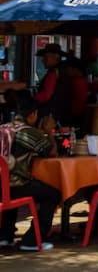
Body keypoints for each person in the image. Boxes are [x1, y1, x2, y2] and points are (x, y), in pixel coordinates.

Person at [0, 95, 61, 251]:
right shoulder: (27, 132)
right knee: (53, 194)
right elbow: (52, 152)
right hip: (15, 187)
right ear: (33, 114)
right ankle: (33, 240)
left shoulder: (4, 128)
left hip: (2, 187)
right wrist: (49, 132)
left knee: (10, 186)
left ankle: (5, 236)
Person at [32, 43, 70, 125]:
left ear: (55, 57)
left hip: (50, 115)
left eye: (46, 57)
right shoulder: (63, 71)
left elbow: (46, 95)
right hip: (60, 114)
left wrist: (32, 99)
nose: (43, 60)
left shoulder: (53, 73)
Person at [62, 57, 89, 130]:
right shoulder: (82, 81)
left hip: (73, 114)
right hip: (78, 113)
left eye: (68, 69)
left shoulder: (75, 82)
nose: (66, 71)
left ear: (74, 69)